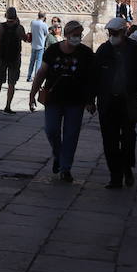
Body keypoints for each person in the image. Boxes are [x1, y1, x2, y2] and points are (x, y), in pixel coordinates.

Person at [28, 20, 95, 183]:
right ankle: (59, 155)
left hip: (76, 100)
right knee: (51, 130)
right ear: (66, 35)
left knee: (71, 135)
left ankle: (66, 169)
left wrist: (90, 100)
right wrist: (32, 94)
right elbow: (42, 73)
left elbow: (91, 79)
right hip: (54, 99)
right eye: (74, 35)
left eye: (79, 35)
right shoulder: (52, 51)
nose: (77, 38)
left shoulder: (86, 53)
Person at [94, 16, 137, 189]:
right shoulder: (104, 50)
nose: (112, 36)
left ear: (123, 32)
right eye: (110, 33)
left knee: (128, 139)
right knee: (109, 141)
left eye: (115, 33)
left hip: (128, 102)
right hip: (108, 103)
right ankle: (115, 176)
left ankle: (127, 168)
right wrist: (90, 99)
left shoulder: (134, 49)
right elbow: (94, 75)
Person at [0, 7, 27, 114]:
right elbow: (25, 39)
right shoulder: (19, 28)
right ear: (15, 16)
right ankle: (7, 106)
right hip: (15, 58)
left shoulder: (0, 26)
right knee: (12, 83)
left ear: (6, 15)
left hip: (1, 56)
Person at [26, 11, 48, 85]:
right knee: (38, 63)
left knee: (32, 62)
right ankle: (36, 78)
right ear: (44, 16)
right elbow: (46, 33)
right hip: (40, 45)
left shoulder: (33, 22)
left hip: (33, 44)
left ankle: (29, 76)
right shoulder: (44, 24)